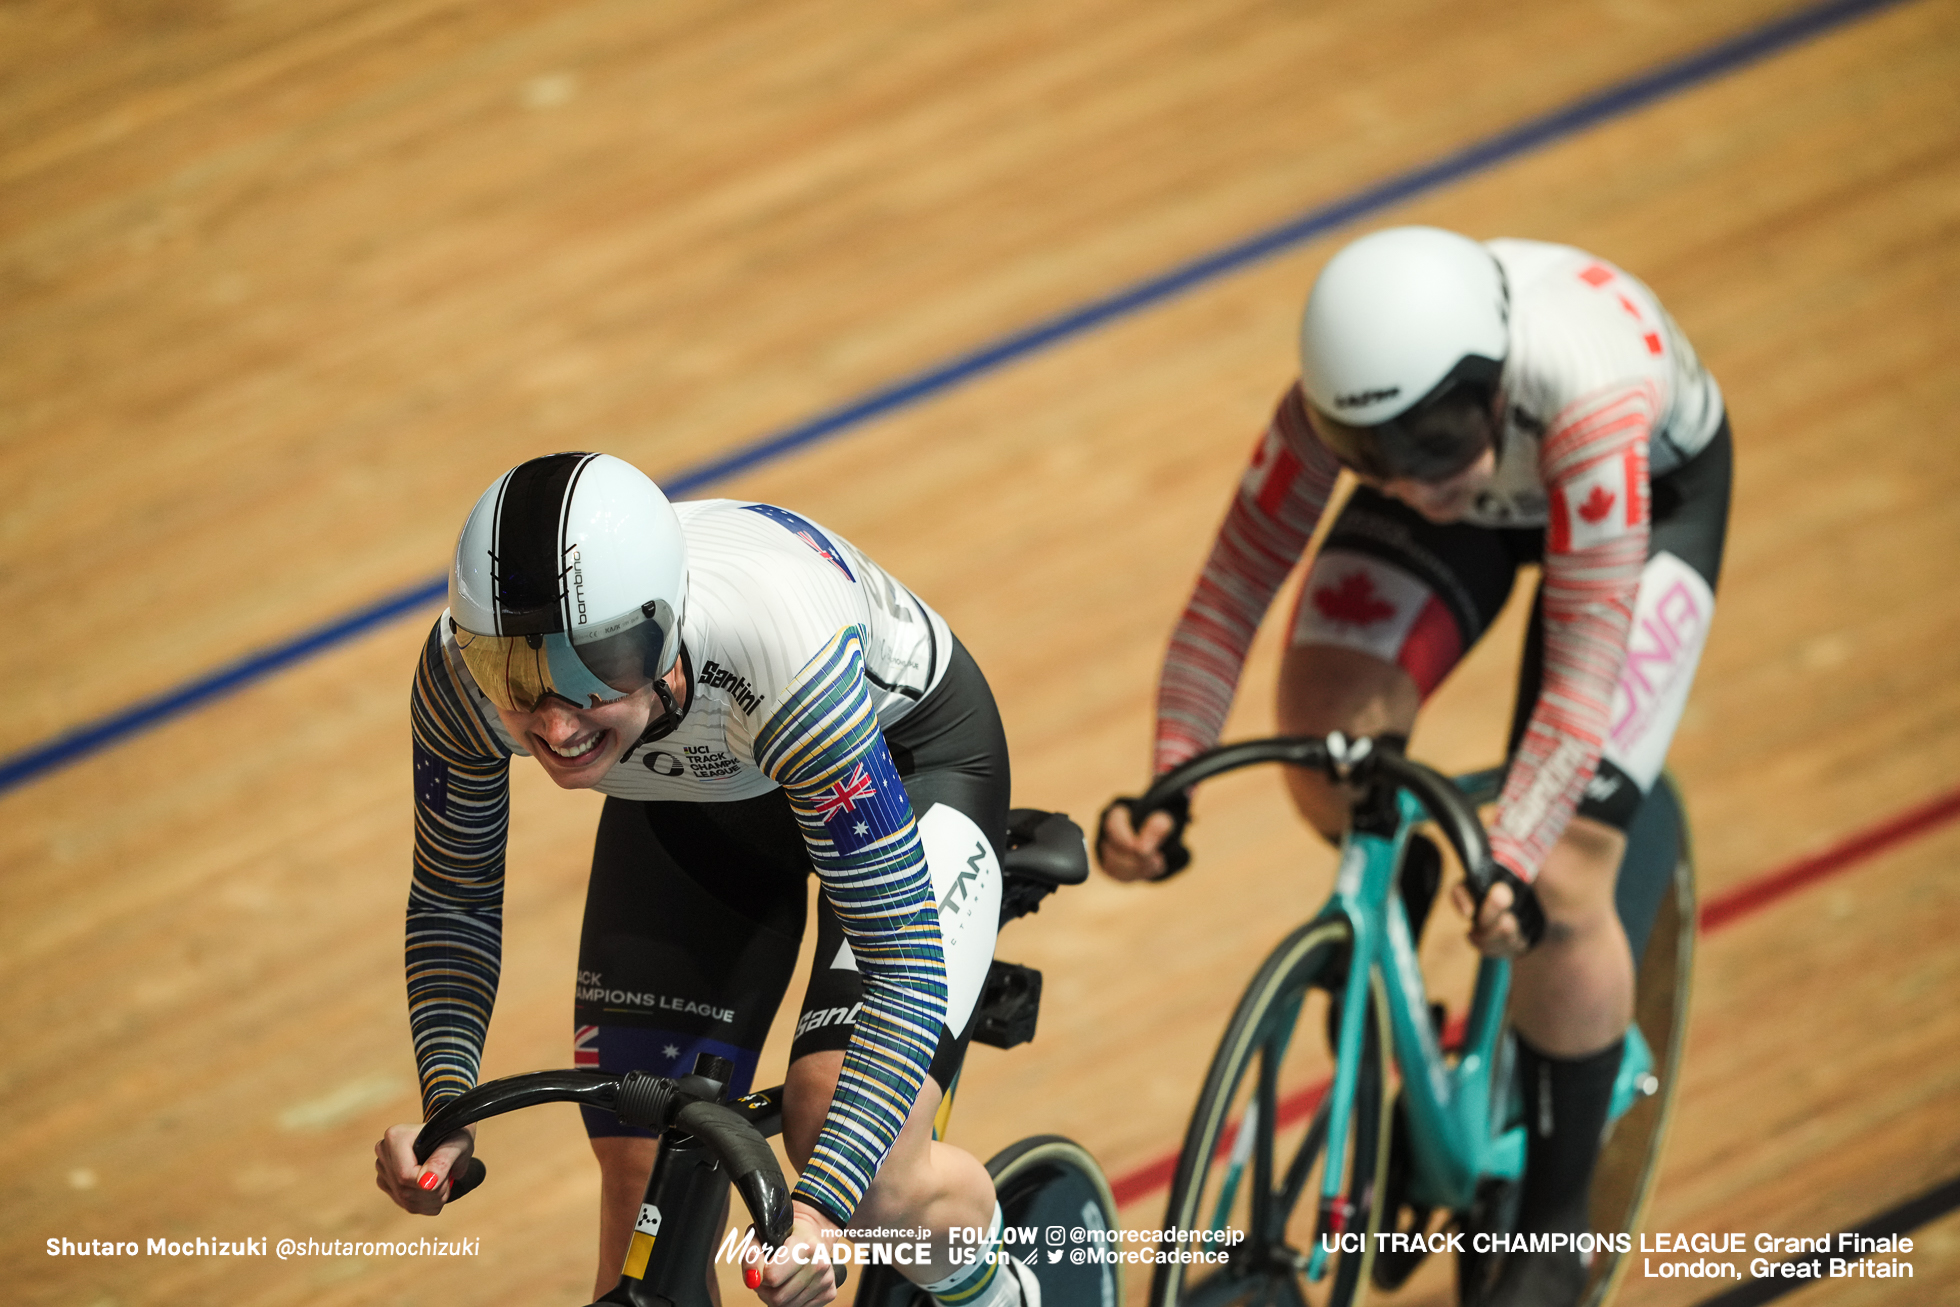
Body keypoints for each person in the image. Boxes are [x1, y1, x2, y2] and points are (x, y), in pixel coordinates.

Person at [1098, 226, 1730, 1305]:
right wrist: (1170, 776)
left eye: (1437, 439)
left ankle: (1550, 1223)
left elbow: (1578, 680)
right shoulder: (1360, 433)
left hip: (1645, 497)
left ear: (1491, 384)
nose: (1415, 482)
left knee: (1565, 877)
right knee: (1325, 736)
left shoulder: (1585, 397)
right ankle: (1401, 932)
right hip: (1508, 489)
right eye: (1376, 457)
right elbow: (1227, 596)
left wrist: (1516, 858)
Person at [373, 452, 1040, 1307]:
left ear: (664, 633)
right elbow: (453, 899)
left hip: (903, 766)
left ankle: (1000, 1290)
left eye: (592, 672)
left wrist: (826, 1209)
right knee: (642, 1170)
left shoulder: (778, 650)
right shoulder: (459, 677)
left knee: (861, 1166)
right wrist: (447, 1104)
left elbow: (903, 964)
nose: (554, 721)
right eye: (517, 678)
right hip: (698, 786)